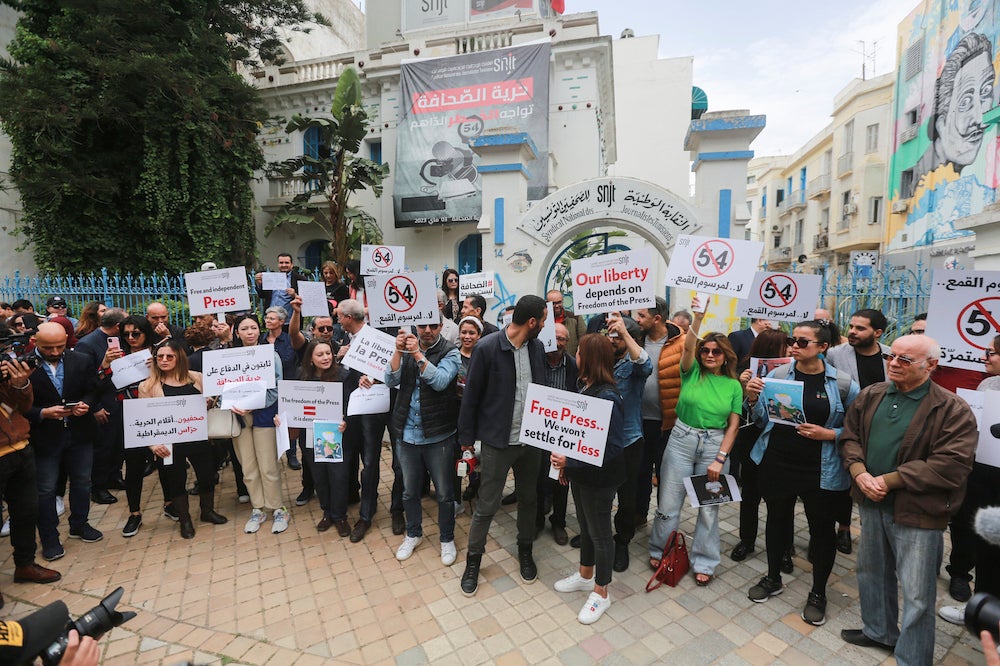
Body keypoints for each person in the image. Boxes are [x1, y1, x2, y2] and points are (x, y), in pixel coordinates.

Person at [839, 334, 977, 665]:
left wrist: (888, 481)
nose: (893, 364)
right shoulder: (872, 394)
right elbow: (850, 436)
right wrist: (859, 472)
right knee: (871, 572)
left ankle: (913, 657)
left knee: (917, 592)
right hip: (871, 502)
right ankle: (879, 631)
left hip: (918, 512)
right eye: (891, 356)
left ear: (931, 365)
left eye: (905, 359)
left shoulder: (951, 408)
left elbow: (951, 465)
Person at [744, 320, 860, 626]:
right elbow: (762, 419)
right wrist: (753, 397)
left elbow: (858, 427)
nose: (794, 346)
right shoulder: (779, 375)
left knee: (821, 530)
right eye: (792, 340)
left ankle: (818, 592)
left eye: (802, 342)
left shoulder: (843, 384)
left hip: (821, 468)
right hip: (778, 461)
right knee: (776, 520)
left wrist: (830, 434)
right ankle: (773, 578)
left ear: (823, 347)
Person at [647, 297, 741, 586]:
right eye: (706, 350)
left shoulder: (733, 385)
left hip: (714, 446)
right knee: (668, 503)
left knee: (708, 510)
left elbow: (733, 425)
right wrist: (698, 318)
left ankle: (705, 561)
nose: (710, 355)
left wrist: (720, 458)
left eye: (716, 351)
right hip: (681, 440)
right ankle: (660, 549)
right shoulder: (691, 372)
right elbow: (688, 347)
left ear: (726, 356)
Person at [458, 295, 547, 596]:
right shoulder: (487, 348)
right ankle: (473, 561)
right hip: (498, 443)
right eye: (543, 320)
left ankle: (525, 550)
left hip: (531, 441)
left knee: (529, 499)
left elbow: (543, 391)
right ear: (532, 322)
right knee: (487, 505)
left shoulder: (537, 347)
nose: (544, 325)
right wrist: (466, 442)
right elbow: (471, 397)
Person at [551, 334, 626, 624]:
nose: (576, 355)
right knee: (585, 527)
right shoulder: (585, 387)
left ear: (590, 358)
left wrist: (570, 462)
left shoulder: (608, 397)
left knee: (601, 535)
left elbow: (612, 447)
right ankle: (585, 575)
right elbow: (577, 436)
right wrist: (567, 468)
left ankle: (601, 591)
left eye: (579, 351)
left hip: (601, 479)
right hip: (581, 474)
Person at [385, 316, 462, 565]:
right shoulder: (406, 347)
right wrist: (398, 352)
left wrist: (417, 354)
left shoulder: (450, 352)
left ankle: (447, 538)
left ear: (441, 327)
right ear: (416, 326)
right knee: (409, 492)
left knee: (444, 493)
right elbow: (390, 380)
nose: (427, 331)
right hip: (407, 434)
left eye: (433, 326)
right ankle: (413, 533)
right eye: (422, 326)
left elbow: (440, 382)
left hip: (439, 435)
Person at [27, 323, 103, 561]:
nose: (54, 352)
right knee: (46, 489)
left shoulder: (80, 359)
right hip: (45, 437)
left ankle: (80, 524)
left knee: (82, 481)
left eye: (59, 346)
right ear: (35, 343)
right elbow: (17, 406)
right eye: (48, 348)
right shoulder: (23, 366)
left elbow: (93, 389)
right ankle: (49, 538)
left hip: (79, 432)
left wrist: (86, 404)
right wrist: (42, 413)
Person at [939, 333, 1000, 624]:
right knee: (979, 538)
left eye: (990, 353)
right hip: (981, 474)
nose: (983, 358)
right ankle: (977, 609)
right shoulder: (988, 384)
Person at [138, 341, 227, 538]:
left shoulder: (196, 377)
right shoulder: (148, 386)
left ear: (179, 358)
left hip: (197, 437)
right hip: (169, 443)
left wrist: (208, 402)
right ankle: (185, 520)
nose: (164, 360)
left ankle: (207, 511)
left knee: (207, 476)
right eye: (159, 357)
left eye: (169, 356)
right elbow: (145, 419)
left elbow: (213, 400)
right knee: (176, 481)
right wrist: (154, 445)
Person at [0, 350, 62, 607]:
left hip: (20, 449)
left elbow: (22, 407)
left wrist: (20, 384)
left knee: (26, 512)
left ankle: (25, 565)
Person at [825, 307, 889, 554]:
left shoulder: (891, 355)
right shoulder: (835, 354)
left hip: (882, 430)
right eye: (851, 326)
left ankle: (873, 531)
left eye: (860, 328)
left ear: (877, 333)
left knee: (874, 481)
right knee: (844, 481)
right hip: (848, 427)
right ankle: (843, 528)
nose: (852, 331)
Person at [729, 329, 789, 564]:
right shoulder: (745, 370)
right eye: (786, 344)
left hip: (780, 442)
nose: (791, 348)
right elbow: (737, 409)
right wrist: (744, 387)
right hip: (751, 440)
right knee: (750, 495)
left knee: (781, 500)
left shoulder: (793, 371)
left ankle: (784, 548)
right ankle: (747, 540)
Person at [229, 315, 289, 535]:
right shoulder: (228, 358)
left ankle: (277, 508)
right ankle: (258, 508)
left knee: (268, 465)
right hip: (239, 417)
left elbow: (276, 387)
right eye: (244, 328)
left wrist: (252, 405)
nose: (250, 332)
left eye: (253, 327)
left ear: (259, 330)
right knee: (248, 467)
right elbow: (222, 386)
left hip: (264, 415)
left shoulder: (270, 355)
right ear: (237, 333)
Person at [633, 297, 684, 528]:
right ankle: (638, 515)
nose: (637, 319)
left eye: (642, 315)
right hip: (639, 422)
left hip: (668, 424)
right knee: (640, 473)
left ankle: (664, 522)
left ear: (657, 318)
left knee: (666, 476)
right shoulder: (636, 340)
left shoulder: (681, 343)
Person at [605, 314, 652, 571]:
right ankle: (598, 536)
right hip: (599, 440)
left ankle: (622, 541)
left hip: (628, 441)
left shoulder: (634, 365)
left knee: (626, 496)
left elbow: (646, 365)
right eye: (610, 335)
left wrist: (624, 331)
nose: (613, 340)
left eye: (618, 337)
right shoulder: (603, 359)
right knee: (600, 493)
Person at [291, 339, 351, 536]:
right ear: (310, 358)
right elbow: (293, 403)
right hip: (310, 436)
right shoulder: (301, 376)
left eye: (328, 353)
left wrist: (346, 421)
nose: (325, 358)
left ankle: (340, 516)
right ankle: (327, 513)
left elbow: (351, 405)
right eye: (320, 354)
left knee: (338, 476)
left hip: (336, 435)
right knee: (320, 477)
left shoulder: (343, 376)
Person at [73, 308, 129, 505]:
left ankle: (114, 476)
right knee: (103, 447)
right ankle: (98, 487)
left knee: (118, 444)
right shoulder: (86, 344)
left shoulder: (121, 339)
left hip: (118, 399)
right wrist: (94, 407)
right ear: (118, 326)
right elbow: (82, 379)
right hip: (101, 402)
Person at [918, 32, 995, 175]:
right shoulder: (921, 176)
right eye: (965, 102)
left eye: (986, 91)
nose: (980, 119)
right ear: (940, 124)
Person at [535, 322, 577, 545]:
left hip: (563, 431)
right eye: (554, 337)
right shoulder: (535, 361)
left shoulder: (573, 365)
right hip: (537, 428)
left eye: (562, 339)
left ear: (567, 342)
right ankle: (537, 520)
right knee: (537, 477)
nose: (557, 342)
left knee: (562, 478)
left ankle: (558, 522)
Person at [261, 306, 301, 471]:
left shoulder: (289, 340)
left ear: (281, 321)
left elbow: (287, 360)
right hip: (267, 388)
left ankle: (292, 455)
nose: (268, 320)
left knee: (288, 421)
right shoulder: (261, 339)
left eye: (272, 318)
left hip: (287, 386)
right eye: (267, 317)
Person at [455, 316, 483, 505]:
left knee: (477, 453)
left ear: (479, 335)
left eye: (472, 333)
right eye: (464, 332)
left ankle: (475, 485)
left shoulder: (484, 356)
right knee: (459, 454)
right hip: (456, 413)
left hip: (479, 414)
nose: (467, 336)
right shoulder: (453, 356)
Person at [255, 253, 305, 320]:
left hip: (290, 319)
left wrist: (294, 294)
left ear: (292, 264)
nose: (284, 265)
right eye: (281, 263)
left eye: (287, 263)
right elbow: (262, 295)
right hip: (271, 318)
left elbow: (305, 300)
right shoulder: (271, 277)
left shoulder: (300, 279)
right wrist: (259, 283)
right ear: (278, 264)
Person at [546, 290, 586, 355]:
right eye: (553, 303)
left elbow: (584, 340)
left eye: (559, 302)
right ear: (547, 303)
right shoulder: (544, 320)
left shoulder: (575, 318)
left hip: (572, 359)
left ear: (563, 301)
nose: (557, 306)